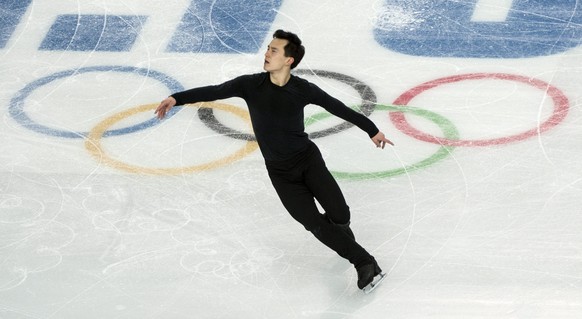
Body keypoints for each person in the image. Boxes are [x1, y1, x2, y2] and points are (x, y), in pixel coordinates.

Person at [155, 29, 394, 292]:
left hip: (308, 162)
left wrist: (372, 130)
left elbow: (338, 107)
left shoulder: (303, 89)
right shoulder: (250, 85)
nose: (266, 54)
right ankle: (364, 262)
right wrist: (176, 98)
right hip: (280, 173)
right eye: (268, 48)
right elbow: (216, 90)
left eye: (274, 50)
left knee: (340, 215)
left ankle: (343, 239)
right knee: (313, 223)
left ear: (289, 60)